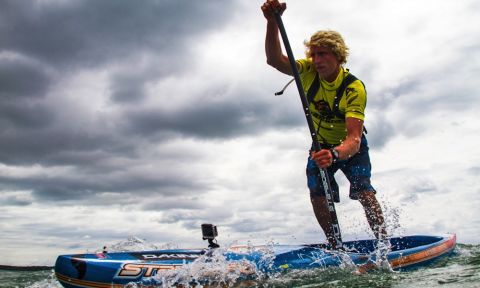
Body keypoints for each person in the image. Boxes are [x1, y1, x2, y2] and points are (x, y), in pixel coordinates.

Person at [261, 0, 386, 248]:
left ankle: (384, 243)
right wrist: (272, 23)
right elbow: (274, 60)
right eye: (313, 54)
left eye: (323, 54)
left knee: (363, 191)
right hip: (320, 145)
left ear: (337, 56)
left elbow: (354, 139)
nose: (316, 59)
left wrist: (335, 153)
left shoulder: (354, 87)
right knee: (317, 192)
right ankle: (335, 246)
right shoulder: (307, 71)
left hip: (350, 148)